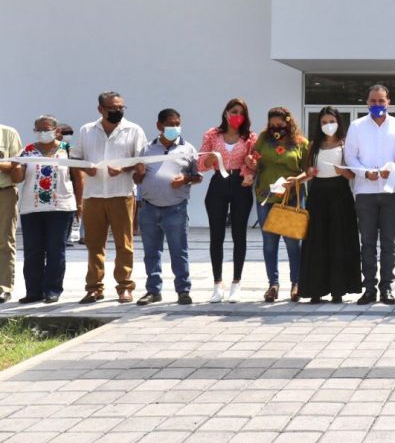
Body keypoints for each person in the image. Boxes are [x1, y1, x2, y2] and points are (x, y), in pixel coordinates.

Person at [70, 91, 148, 304]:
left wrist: (124, 168)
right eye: (113, 108)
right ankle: (94, 288)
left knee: (124, 244)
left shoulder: (133, 130)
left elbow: (141, 161)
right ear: (100, 109)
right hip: (93, 195)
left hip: (121, 194)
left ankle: (125, 287)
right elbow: (76, 158)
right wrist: (86, 168)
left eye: (121, 107)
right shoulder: (87, 130)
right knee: (94, 244)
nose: (118, 111)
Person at [343, 85, 395, 306]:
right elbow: (350, 156)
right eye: (373, 101)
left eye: (381, 101)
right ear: (367, 103)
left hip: (391, 192)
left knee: (389, 243)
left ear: (389, 102)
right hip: (365, 192)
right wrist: (364, 172)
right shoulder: (356, 126)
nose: (377, 104)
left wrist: (392, 168)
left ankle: (386, 287)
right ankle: (369, 288)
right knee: (368, 242)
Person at [133, 109, 201, 306]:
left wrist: (185, 179)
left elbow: (198, 177)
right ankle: (153, 290)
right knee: (151, 252)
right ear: (159, 126)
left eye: (177, 124)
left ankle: (183, 291)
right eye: (170, 124)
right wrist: (139, 173)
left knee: (179, 251)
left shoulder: (188, 148)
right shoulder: (146, 149)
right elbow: (137, 179)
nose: (175, 128)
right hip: (149, 207)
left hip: (176, 208)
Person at [9, 116, 77, 304]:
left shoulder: (68, 150)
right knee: (32, 251)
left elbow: (78, 179)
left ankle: (52, 290)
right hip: (32, 209)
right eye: (38, 129)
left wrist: (80, 205)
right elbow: (17, 178)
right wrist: (16, 166)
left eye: (46, 129)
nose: (42, 133)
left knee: (56, 250)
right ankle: (34, 291)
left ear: (56, 131)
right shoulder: (27, 151)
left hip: (61, 207)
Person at [299, 106, 361, 304]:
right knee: (316, 240)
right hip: (317, 195)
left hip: (340, 194)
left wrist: (343, 172)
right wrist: (307, 174)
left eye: (331, 122)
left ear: (338, 122)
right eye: (324, 122)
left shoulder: (345, 144)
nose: (328, 125)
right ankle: (315, 290)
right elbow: (307, 171)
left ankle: (338, 290)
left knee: (339, 240)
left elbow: (352, 174)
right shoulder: (313, 145)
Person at [247, 107, 309, 303]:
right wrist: (251, 162)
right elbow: (255, 162)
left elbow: (308, 171)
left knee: (292, 242)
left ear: (288, 122)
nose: (276, 128)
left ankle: (296, 283)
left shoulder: (301, 143)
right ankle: (273, 284)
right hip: (266, 196)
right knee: (269, 242)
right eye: (272, 125)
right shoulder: (264, 139)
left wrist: (296, 179)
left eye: (280, 124)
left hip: (291, 198)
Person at [198, 98, 257, 303]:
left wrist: (250, 171)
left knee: (239, 234)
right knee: (217, 235)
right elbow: (200, 165)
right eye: (233, 111)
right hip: (218, 183)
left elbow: (254, 164)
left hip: (240, 184)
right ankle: (217, 284)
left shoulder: (250, 137)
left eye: (241, 112)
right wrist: (208, 160)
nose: (237, 116)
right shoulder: (212, 134)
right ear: (226, 113)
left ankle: (236, 283)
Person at [0, 120, 22, 304]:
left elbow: (16, 166)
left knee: (5, 241)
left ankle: (4, 288)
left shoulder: (8, 133)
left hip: (4, 192)